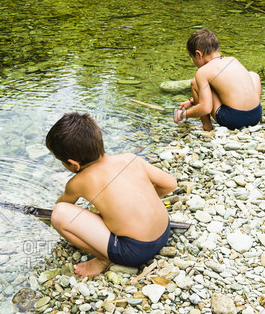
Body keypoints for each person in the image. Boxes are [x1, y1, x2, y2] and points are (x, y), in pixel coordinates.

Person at [46, 112, 177, 277]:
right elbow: (170, 184)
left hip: (134, 251)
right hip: (164, 231)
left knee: (58, 215)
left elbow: (63, 206)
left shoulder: (79, 182)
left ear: (73, 164)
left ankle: (102, 259)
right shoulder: (130, 158)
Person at [174, 29, 262, 131]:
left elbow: (205, 108)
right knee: (253, 75)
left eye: (192, 57)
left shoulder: (203, 72)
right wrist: (192, 101)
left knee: (195, 83)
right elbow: (231, 89)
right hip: (255, 115)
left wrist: (184, 114)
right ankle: (254, 111)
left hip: (234, 119)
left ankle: (207, 126)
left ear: (198, 54)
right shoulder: (233, 60)